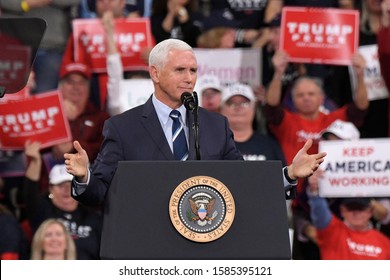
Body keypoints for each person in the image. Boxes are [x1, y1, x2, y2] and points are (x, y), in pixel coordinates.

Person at [64, 38, 326, 208]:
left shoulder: (216, 125)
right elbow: (99, 193)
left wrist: (289, 174)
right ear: (155, 73)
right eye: (180, 70)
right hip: (148, 246)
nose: (189, 78)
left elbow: (243, 182)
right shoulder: (122, 128)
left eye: (193, 70)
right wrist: (83, 176)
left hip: (205, 243)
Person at [24, 141, 103, 259]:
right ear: (51, 189)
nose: (67, 189)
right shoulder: (42, 211)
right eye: (61, 185)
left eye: (71, 184)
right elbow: (30, 192)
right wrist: (36, 161)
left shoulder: (93, 216)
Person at [307, 179, 390, 259]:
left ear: (370, 211)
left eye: (361, 208)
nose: (356, 212)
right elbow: (318, 209)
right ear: (342, 210)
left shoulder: (385, 243)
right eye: (351, 208)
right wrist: (314, 190)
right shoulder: (330, 230)